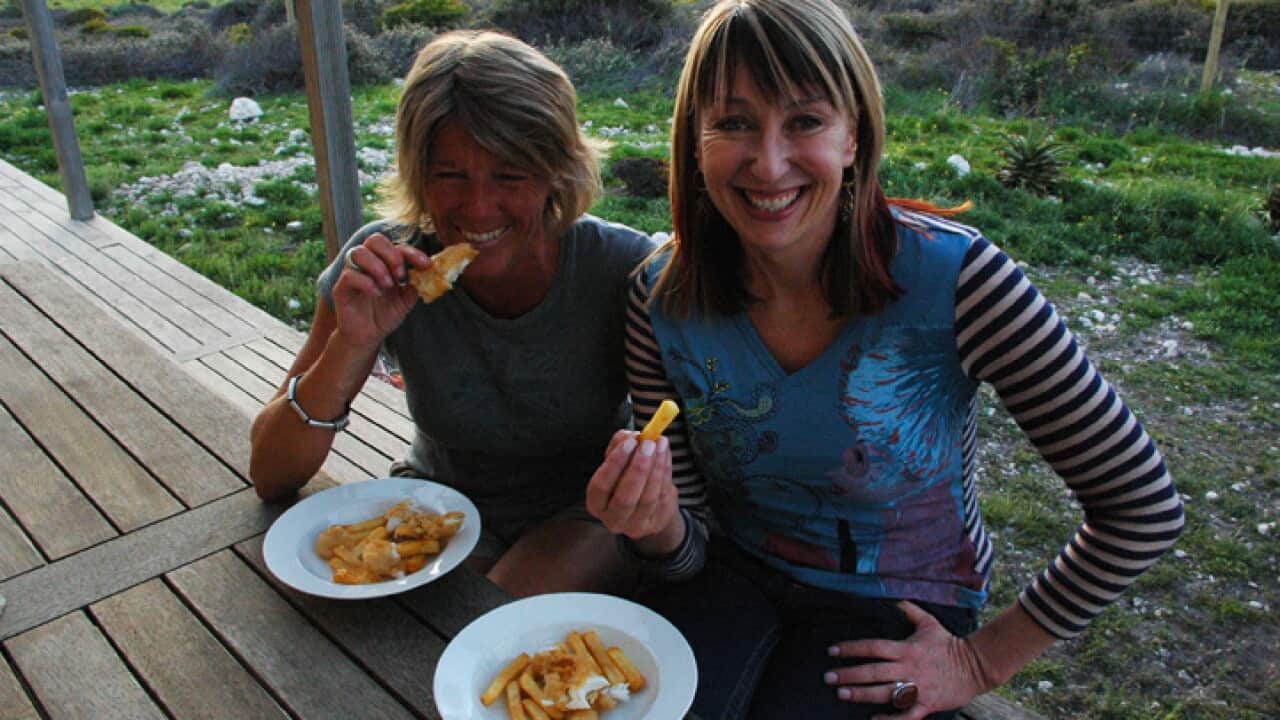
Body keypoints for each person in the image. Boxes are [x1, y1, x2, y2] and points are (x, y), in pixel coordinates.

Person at [584, 1, 1184, 717]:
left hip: (899, 602)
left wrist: (980, 661)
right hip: (733, 576)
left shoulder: (960, 281)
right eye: (734, 123)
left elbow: (1142, 507)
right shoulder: (659, 297)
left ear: (854, 136)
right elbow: (687, 554)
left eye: (806, 121)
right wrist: (655, 527)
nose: (768, 163)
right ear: (694, 142)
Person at [250, 30, 655, 598]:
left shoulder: (622, 269)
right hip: (436, 507)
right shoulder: (383, 266)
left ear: (556, 173)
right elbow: (271, 474)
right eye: (449, 175)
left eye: (510, 175)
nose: (479, 207)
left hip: (583, 515)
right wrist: (353, 340)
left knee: (484, 620)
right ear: (418, 175)